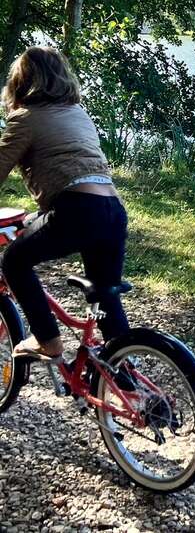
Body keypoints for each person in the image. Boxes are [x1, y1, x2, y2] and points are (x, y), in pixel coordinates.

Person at [0, 46, 129, 361]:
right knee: (107, 295)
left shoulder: (25, 118)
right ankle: (128, 382)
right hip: (112, 209)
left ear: (20, 83)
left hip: (76, 210)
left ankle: (47, 340)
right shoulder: (78, 112)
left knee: (13, 262)